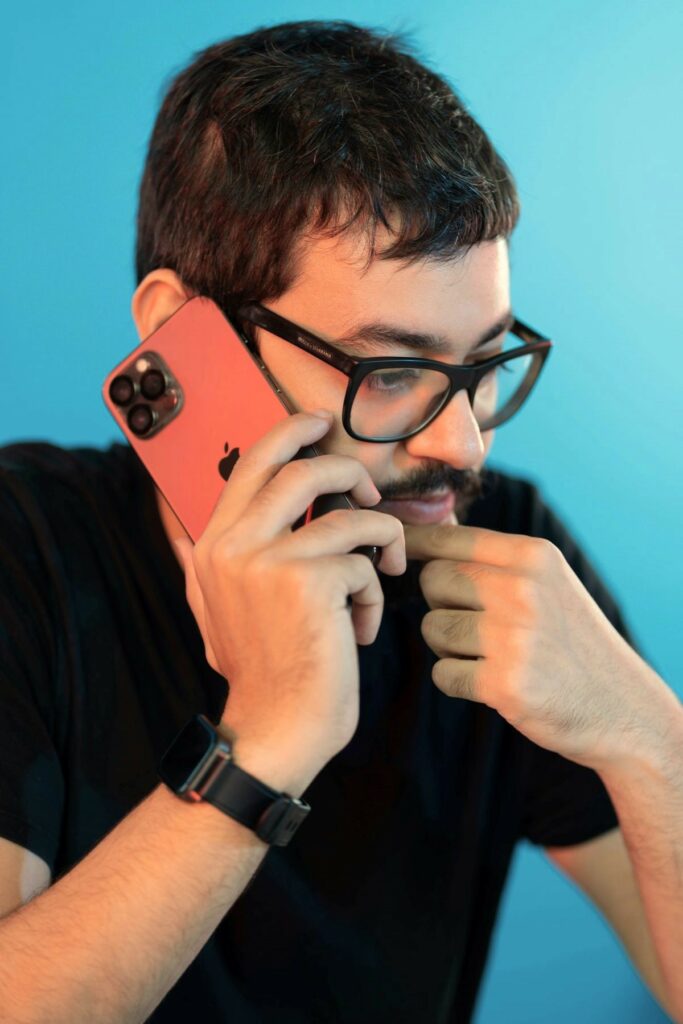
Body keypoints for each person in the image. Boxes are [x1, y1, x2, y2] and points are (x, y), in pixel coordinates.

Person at [0, 19, 681, 1024]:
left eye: (484, 365)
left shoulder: (497, 560)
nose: (462, 446)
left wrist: (645, 739)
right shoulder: (27, 550)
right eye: (392, 371)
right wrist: (269, 741)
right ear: (178, 336)